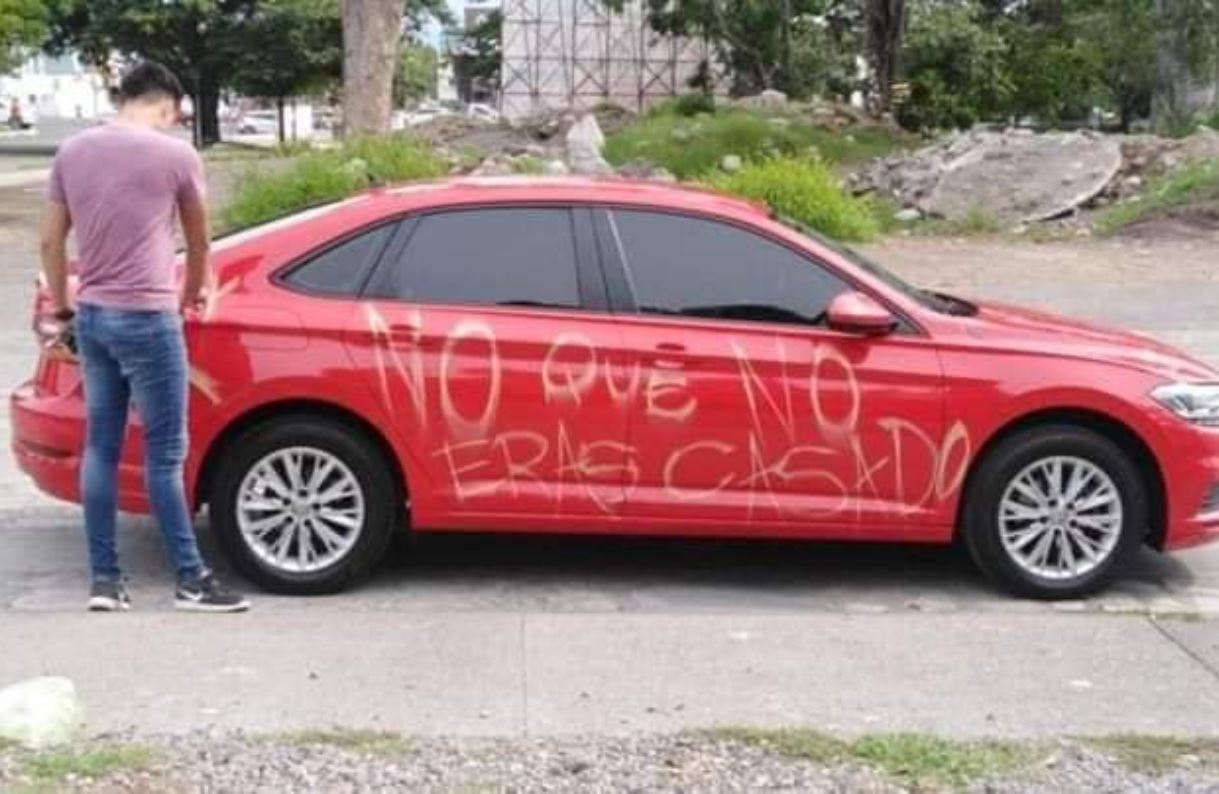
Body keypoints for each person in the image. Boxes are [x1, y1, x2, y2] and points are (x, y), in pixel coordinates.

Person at [40, 61, 249, 613]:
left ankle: (105, 581)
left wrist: (63, 309)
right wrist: (192, 295)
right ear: (167, 105)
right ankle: (189, 578)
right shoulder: (176, 155)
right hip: (149, 318)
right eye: (175, 116)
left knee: (101, 448)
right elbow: (200, 243)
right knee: (164, 453)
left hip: (92, 315)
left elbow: (49, 243)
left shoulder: (72, 152)